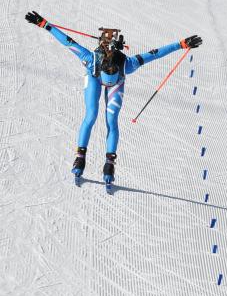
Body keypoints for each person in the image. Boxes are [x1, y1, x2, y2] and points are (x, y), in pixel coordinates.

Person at [25, 11, 203, 185]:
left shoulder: (128, 64)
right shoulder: (91, 59)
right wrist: (44, 24)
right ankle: (80, 157)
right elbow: (67, 41)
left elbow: (155, 54)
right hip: (94, 78)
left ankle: (109, 163)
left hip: (116, 83)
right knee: (91, 115)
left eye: (114, 75)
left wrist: (182, 44)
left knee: (112, 120)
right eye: (108, 77)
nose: (108, 81)